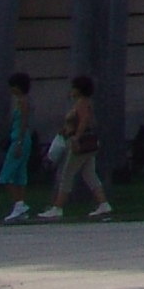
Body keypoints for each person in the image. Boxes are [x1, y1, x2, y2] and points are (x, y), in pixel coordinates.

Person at [49, 75, 110, 219]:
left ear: (79, 89)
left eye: (73, 87)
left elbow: (84, 120)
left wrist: (76, 137)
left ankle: (58, 207)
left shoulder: (82, 103)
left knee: (67, 174)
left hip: (80, 144)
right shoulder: (81, 103)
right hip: (86, 143)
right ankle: (103, 204)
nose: (71, 90)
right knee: (89, 174)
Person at [0, 72, 40, 222]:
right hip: (21, 138)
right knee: (19, 175)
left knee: (6, 175)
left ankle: (19, 203)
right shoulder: (24, 101)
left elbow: (23, 123)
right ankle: (19, 207)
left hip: (19, 139)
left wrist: (19, 142)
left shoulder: (22, 102)